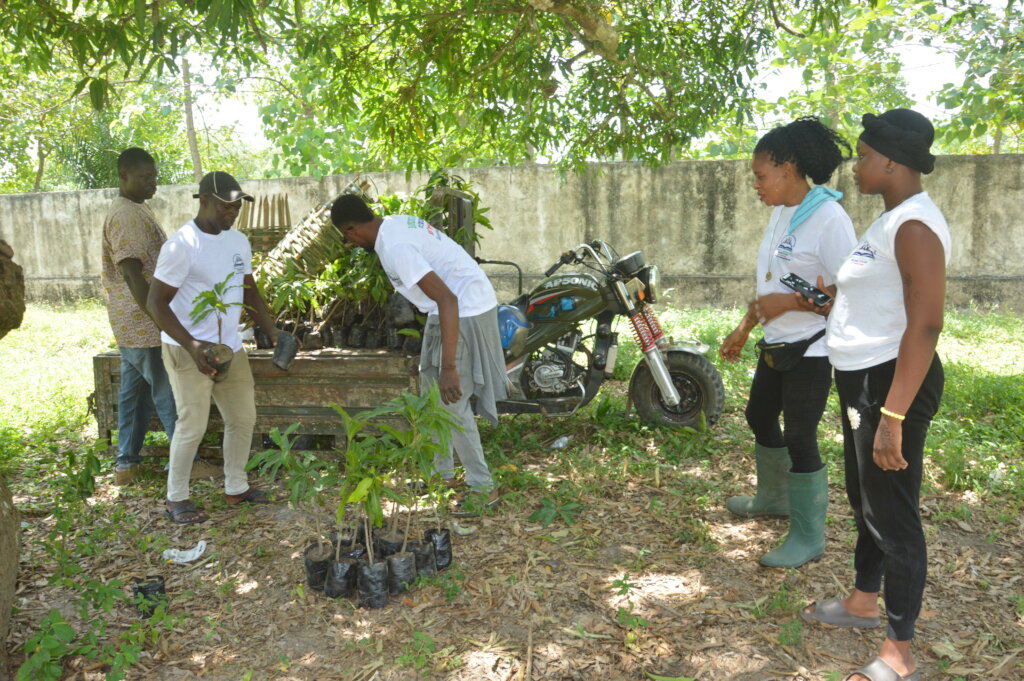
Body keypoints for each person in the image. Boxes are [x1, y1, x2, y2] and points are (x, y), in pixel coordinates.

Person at [799, 109, 949, 681]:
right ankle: (864, 600)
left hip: (892, 384)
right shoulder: (889, 221)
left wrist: (893, 415)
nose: (856, 165)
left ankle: (899, 653)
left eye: (863, 156)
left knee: (895, 513)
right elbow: (879, 294)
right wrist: (834, 296)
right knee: (867, 498)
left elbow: (926, 324)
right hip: (864, 376)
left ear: (891, 162)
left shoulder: (914, 225)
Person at [719, 117, 856, 568]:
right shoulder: (781, 214)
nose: (756, 185)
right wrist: (744, 328)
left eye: (761, 175)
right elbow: (770, 286)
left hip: (812, 348)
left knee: (800, 434)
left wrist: (796, 303)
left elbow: (848, 294)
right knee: (759, 415)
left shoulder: (830, 218)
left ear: (788, 167)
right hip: (777, 343)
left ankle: (808, 537)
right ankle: (773, 498)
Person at [330, 194, 507, 516]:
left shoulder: (397, 248)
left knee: (452, 403)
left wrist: (450, 366)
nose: (351, 243)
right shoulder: (393, 224)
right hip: (447, 313)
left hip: (462, 312)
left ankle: (484, 487)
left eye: (348, 237)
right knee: (431, 393)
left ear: (352, 228)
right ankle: (443, 475)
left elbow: (448, 299)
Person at [148, 171, 279, 524]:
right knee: (193, 424)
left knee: (243, 418)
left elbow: (249, 289)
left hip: (230, 347)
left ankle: (236, 487)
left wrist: (272, 330)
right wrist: (192, 346)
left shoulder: (238, 241)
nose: (232, 212)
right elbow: (156, 303)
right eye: (225, 205)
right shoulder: (181, 245)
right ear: (203, 199)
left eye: (236, 205)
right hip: (187, 347)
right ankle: (177, 498)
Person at [100, 148, 182, 485]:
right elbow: (133, 273)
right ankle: (183, 464)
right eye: (145, 177)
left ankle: (126, 465)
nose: (153, 183)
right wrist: (159, 317)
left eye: (154, 176)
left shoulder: (134, 208)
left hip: (130, 322)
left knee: (132, 395)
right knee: (167, 390)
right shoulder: (127, 216)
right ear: (123, 176)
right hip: (143, 320)